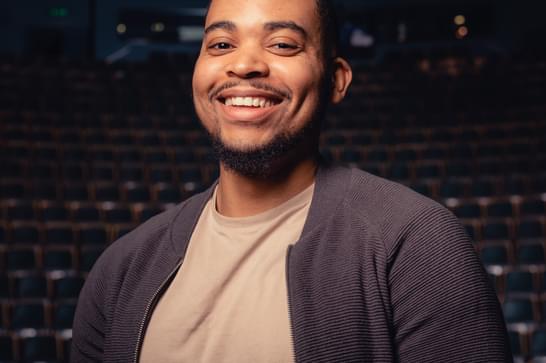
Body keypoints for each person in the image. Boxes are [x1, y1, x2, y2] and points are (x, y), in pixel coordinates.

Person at [72, 0, 512, 361]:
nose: (243, 65)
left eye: (282, 44)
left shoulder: (416, 242)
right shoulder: (120, 270)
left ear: (336, 79)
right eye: (221, 43)